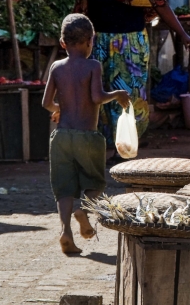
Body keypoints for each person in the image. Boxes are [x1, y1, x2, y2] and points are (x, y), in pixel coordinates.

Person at [77, 0, 190, 153]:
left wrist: (183, 34)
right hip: (99, 43)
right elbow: (82, 7)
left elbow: (160, 4)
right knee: (98, 94)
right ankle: (102, 144)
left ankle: (126, 146)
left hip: (131, 45)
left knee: (129, 93)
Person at [42, 14, 131, 254]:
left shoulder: (56, 67)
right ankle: (83, 209)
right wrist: (118, 94)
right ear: (90, 41)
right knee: (96, 182)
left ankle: (66, 232)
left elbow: (46, 103)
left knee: (64, 188)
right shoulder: (93, 66)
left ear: (62, 43)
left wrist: (59, 109)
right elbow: (96, 97)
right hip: (88, 137)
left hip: (61, 137)